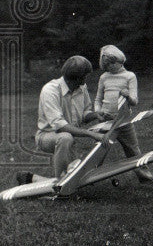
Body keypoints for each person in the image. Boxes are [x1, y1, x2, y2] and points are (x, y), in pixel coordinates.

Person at [19, 55, 105, 183]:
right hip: (47, 135)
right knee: (65, 137)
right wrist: (90, 134)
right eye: (85, 76)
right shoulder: (50, 90)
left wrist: (96, 115)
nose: (86, 79)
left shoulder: (82, 88)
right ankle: (61, 184)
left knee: (77, 174)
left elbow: (84, 114)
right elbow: (60, 126)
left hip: (68, 136)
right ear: (77, 78)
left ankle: (31, 178)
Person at [95, 44, 153, 185]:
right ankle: (89, 177)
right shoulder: (104, 77)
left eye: (111, 64)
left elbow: (134, 101)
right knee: (98, 149)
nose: (109, 67)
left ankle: (146, 179)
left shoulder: (130, 76)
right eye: (106, 65)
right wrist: (98, 110)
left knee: (133, 150)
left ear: (120, 60)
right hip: (106, 120)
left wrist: (127, 95)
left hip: (123, 120)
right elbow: (98, 99)